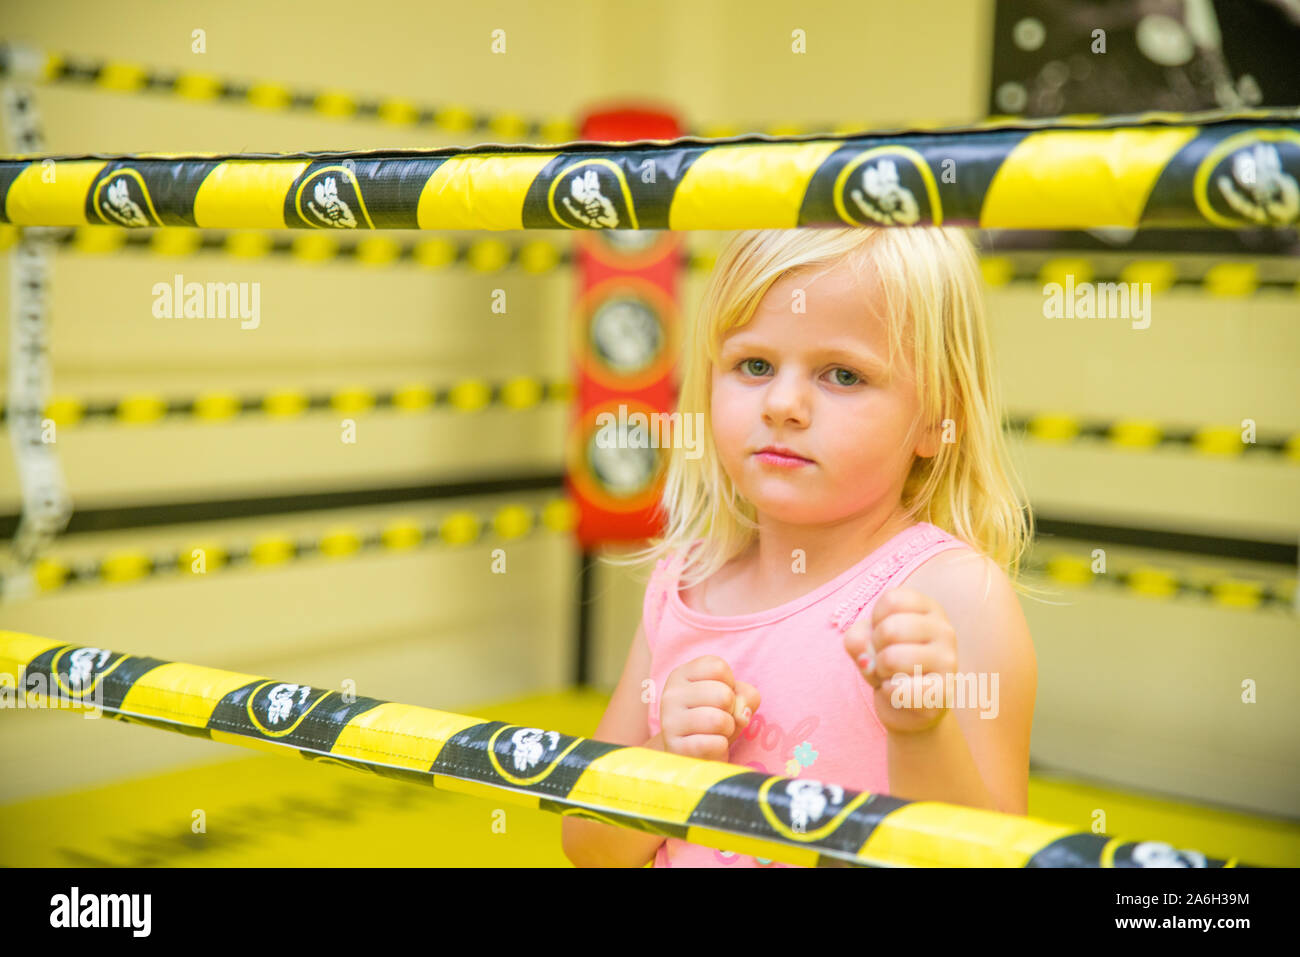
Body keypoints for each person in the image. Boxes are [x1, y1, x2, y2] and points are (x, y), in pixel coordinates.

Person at [562, 226, 1041, 868]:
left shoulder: (952, 593)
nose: (784, 404)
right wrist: (665, 758)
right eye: (754, 365)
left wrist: (922, 731)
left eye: (843, 375)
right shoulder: (685, 583)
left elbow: (995, 862)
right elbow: (590, 848)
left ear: (935, 419)